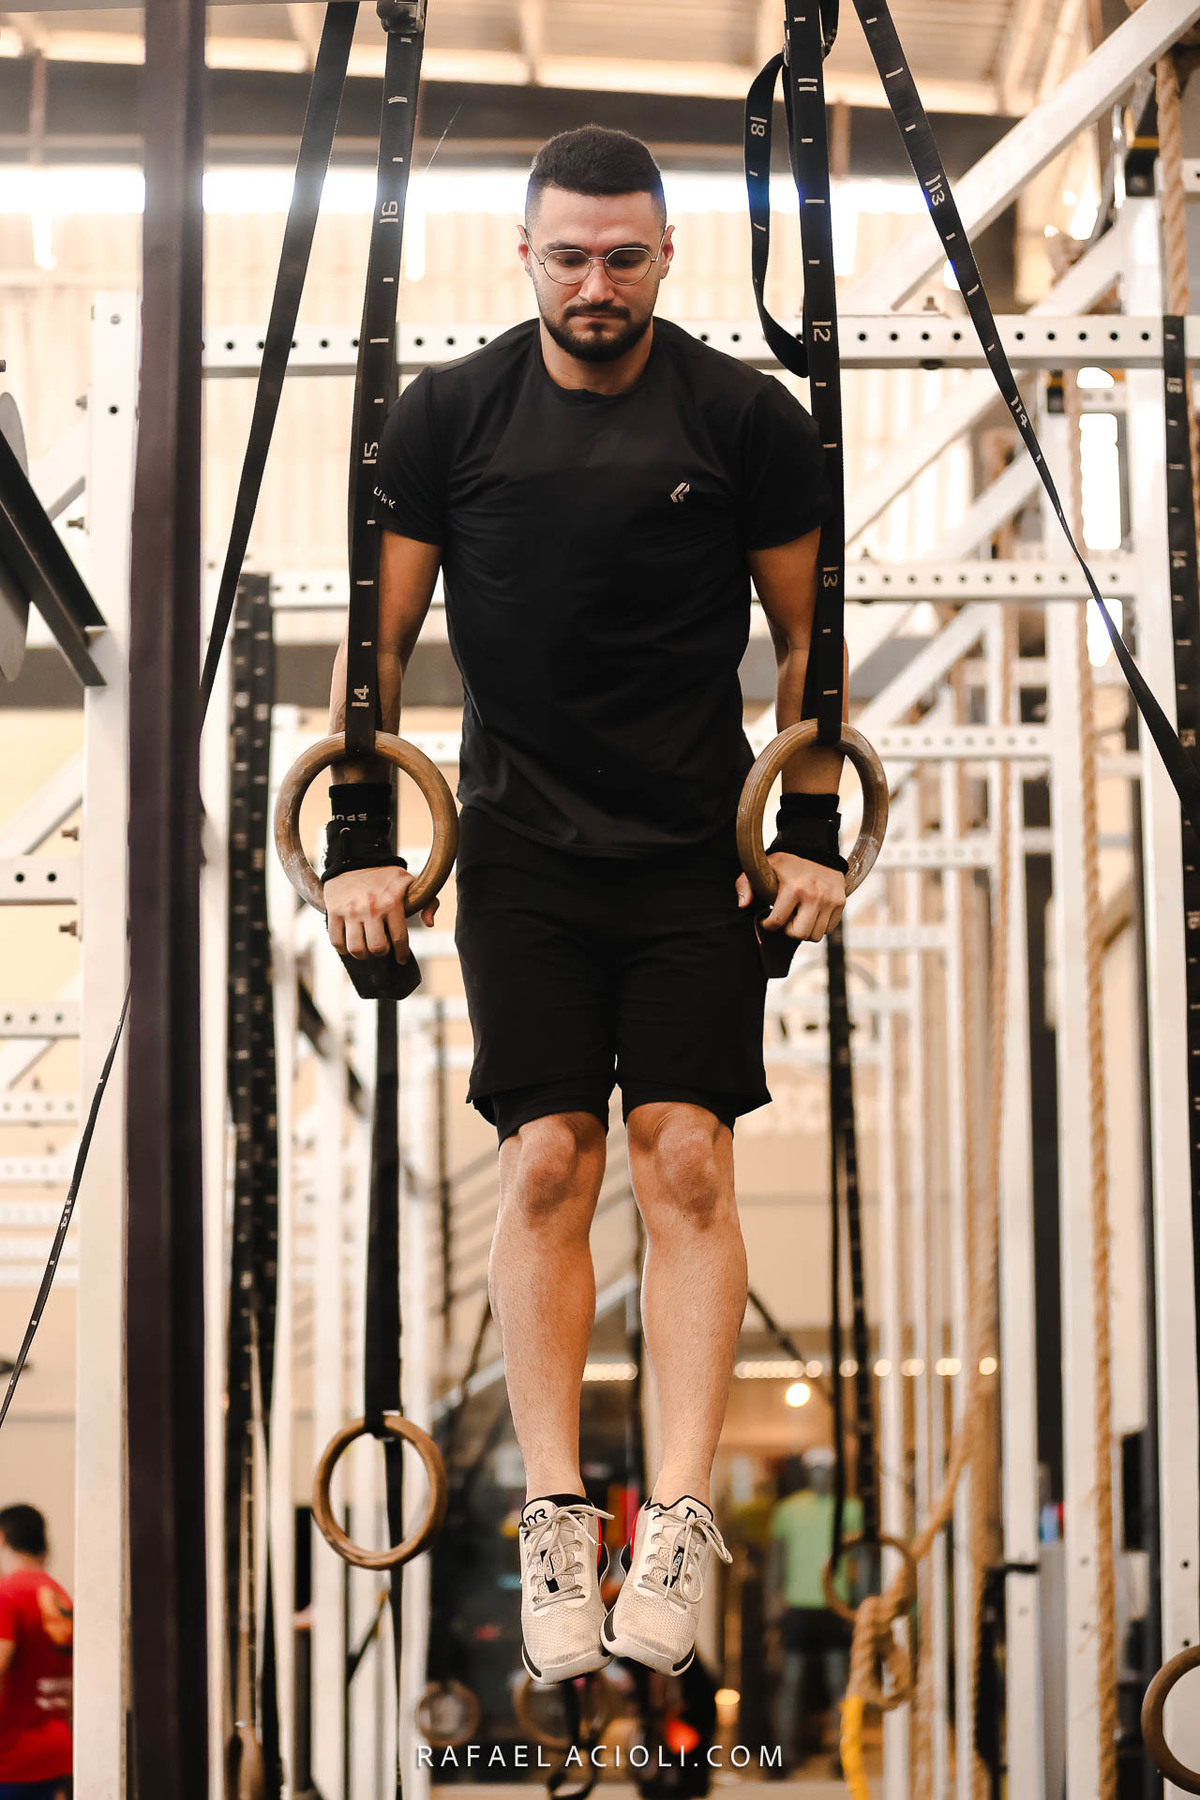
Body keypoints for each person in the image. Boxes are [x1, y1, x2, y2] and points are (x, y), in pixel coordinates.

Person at [322, 125, 846, 1684]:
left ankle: (674, 1521)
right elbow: (377, 645)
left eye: (624, 256)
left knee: (684, 1156)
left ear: (667, 255)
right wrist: (358, 834)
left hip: (697, 848)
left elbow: (809, 642)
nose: (595, 284)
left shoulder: (745, 419)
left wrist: (811, 828)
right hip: (520, 847)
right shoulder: (448, 417)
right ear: (526, 255)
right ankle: (557, 1521)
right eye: (568, 257)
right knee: (548, 1158)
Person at [765, 1450, 860, 1771]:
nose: (820, 1475)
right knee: (791, 1682)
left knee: (839, 1682)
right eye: (815, 1469)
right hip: (797, 1606)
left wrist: (861, 1604)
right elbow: (776, 1561)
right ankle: (782, 1755)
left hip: (836, 1605)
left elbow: (861, 1560)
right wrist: (771, 1605)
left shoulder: (850, 1509)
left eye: (826, 1469)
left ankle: (843, 1755)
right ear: (807, 1472)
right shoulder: (788, 1510)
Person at [0, 1505, 72, 1800]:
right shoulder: (61, 1596)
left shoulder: (8, 1594)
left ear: (2, 1539)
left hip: (12, 1756)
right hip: (57, 1751)